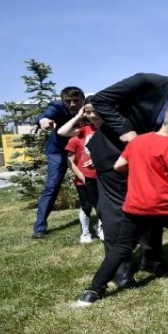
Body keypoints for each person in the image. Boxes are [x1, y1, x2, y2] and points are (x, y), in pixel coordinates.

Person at [77, 105, 168, 307]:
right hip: (164, 207)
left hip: (135, 207)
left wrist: (143, 164)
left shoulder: (138, 141)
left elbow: (119, 166)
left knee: (121, 248)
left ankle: (92, 292)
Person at [87, 62, 168, 286]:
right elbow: (100, 100)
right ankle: (121, 270)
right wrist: (125, 130)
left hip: (156, 163)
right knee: (118, 211)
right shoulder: (146, 82)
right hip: (115, 155)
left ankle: (151, 258)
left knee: (156, 205)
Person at [32, 87, 85, 239]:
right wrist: (43, 121)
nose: (72, 104)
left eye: (76, 101)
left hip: (83, 152)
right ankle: (39, 227)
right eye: (68, 101)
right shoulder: (57, 106)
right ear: (63, 100)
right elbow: (45, 116)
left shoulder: (89, 108)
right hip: (58, 152)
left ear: (82, 99)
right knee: (52, 187)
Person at [58, 101, 104, 243]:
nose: (92, 115)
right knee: (87, 206)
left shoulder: (108, 130)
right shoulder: (83, 131)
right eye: (88, 112)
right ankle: (85, 233)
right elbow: (61, 132)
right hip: (84, 179)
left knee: (102, 205)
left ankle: (101, 229)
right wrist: (78, 116)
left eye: (95, 111)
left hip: (103, 178)